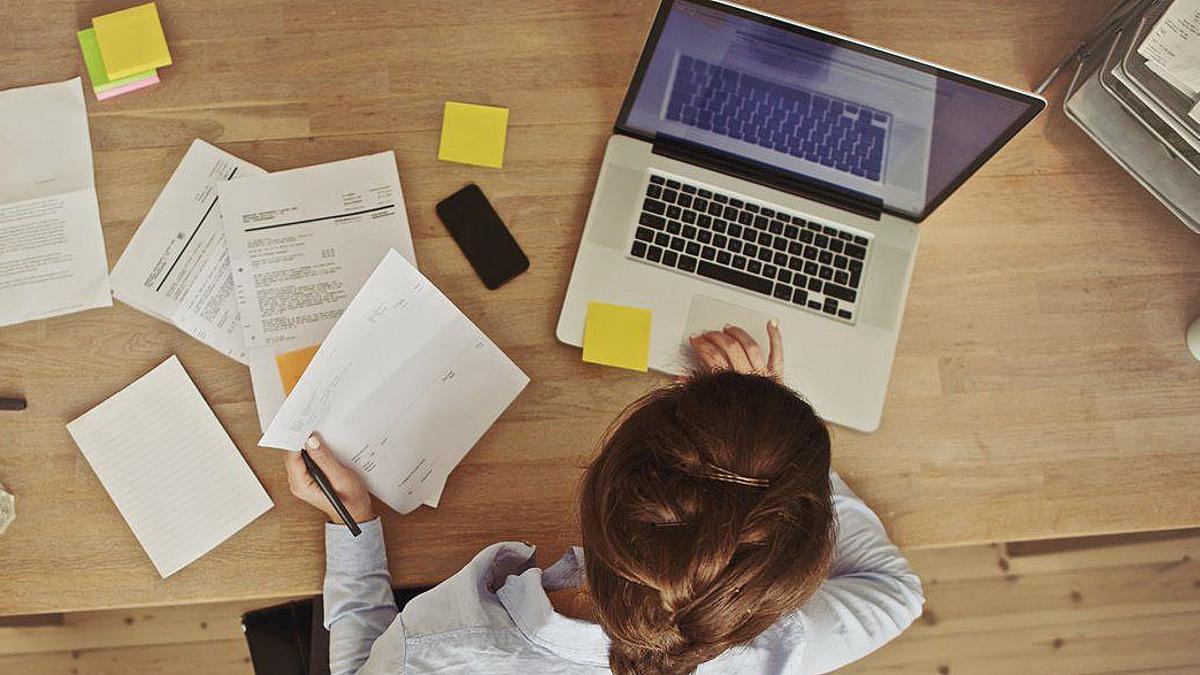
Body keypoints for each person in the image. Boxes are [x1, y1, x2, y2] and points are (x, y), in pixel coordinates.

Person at [286, 322, 924, 674]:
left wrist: (355, 528)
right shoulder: (767, 653)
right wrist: (779, 463)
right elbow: (895, 594)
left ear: (596, 480)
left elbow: (361, 666)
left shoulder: (441, 650)